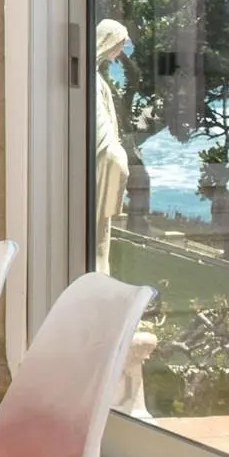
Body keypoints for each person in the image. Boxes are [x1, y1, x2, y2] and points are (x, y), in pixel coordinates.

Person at [93, 19, 132, 275]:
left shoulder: (93, 78)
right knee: (97, 233)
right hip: (103, 160)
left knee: (100, 233)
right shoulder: (91, 81)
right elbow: (100, 128)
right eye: (118, 44)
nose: (119, 52)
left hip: (106, 159)